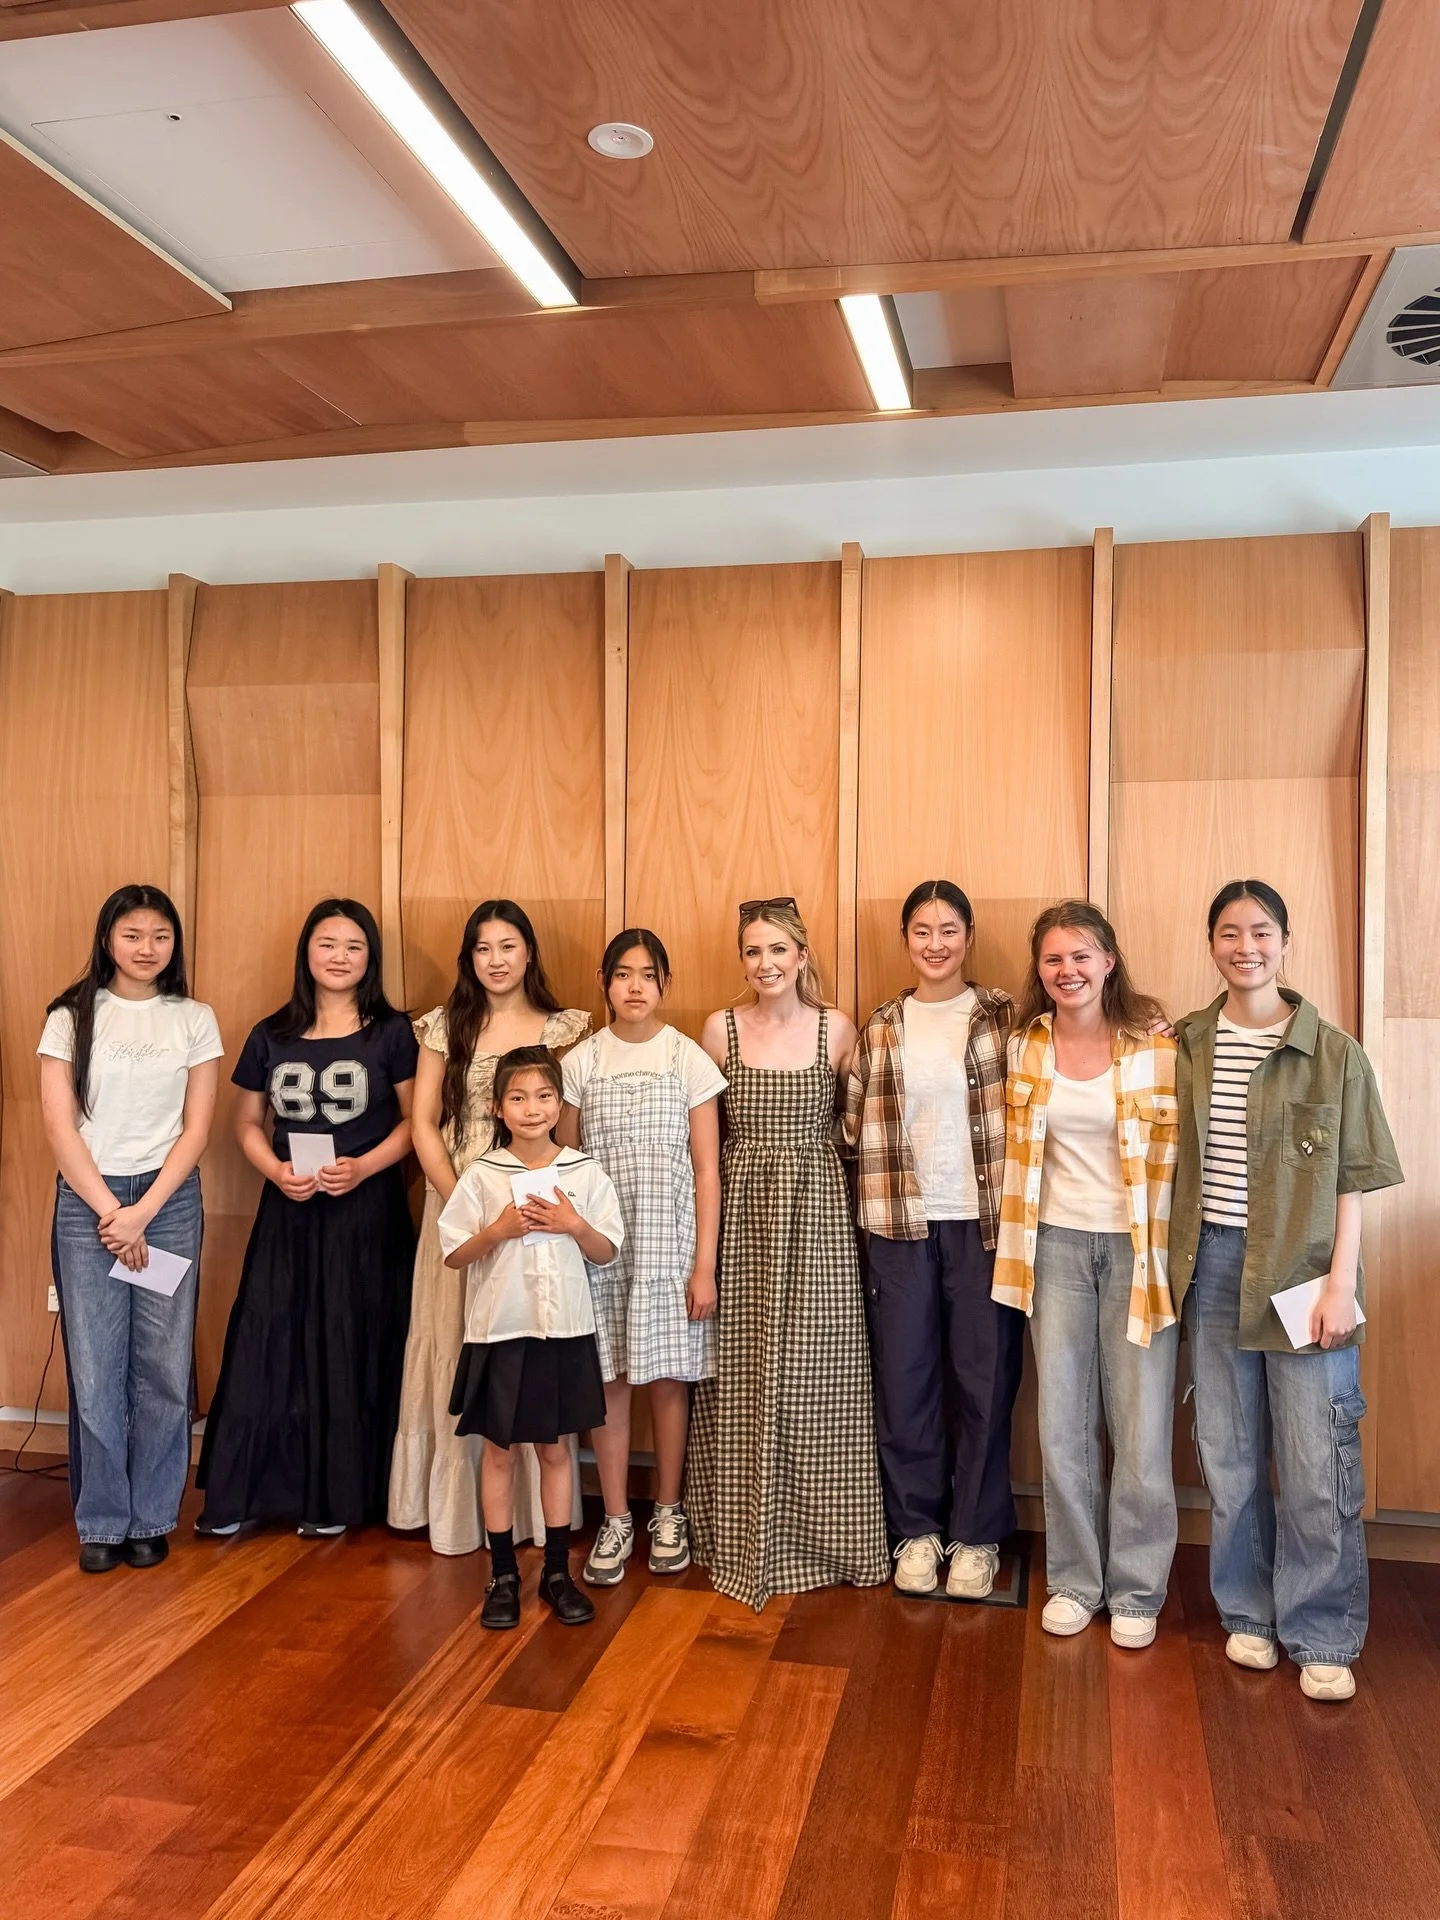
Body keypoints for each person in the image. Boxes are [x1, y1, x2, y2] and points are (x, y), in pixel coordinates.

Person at [1171, 879, 1403, 1701]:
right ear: (1212, 944)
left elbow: (1354, 1178)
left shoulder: (1333, 1051)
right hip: (1213, 1269)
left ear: (1285, 940)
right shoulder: (1187, 1042)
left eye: (1261, 931)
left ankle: (1323, 1630)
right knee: (1231, 1460)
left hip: (1305, 1276)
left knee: (1315, 1461)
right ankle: (1247, 1615)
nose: (1246, 946)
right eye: (1229, 931)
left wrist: (1343, 1281)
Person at [686, 897, 888, 1611]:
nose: (765, 964)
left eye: (778, 950)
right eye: (752, 952)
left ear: (801, 954)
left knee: (819, 1376)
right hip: (740, 1213)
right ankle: (734, 1535)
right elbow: (703, 1154)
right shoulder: (719, 1030)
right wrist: (702, 1262)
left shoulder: (838, 1029)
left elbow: (865, 1128)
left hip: (819, 1218)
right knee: (739, 1373)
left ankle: (829, 1539)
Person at [196, 899, 417, 1535]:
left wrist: (365, 1168)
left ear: (370, 957)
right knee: (271, 1336)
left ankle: (338, 1500)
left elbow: (415, 1123)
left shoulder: (392, 1032)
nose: (340, 957)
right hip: (287, 1208)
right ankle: (254, 1496)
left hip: (365, 1212)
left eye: (354, 946)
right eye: (327, 944)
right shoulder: (271, 1033)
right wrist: (273, 1170)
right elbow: (245, 1120)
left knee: (349, 1340)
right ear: (306, 952)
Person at [993, 900, 1179, 1648]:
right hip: (1055, 1249)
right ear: (1039, 971)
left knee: (1139, 1428)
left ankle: (1137, 1588)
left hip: (1141, 1251)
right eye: (1053, 959)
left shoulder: (1159, 1049)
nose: (1067, 971)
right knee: (1062, 1423)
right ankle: (1075, 1579)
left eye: (1081, 956)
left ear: (1109, 961)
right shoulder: (1020, 1048)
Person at [388, 900, 590, 1553]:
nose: (497, 960)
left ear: (529, 952)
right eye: (483, 948)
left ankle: (536, 1521)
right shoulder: (446, 1026)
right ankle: (454, 1514)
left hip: (538, 1215)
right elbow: (422, 1122)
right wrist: (462, 1202)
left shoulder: (564, 1028)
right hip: (457, 1211)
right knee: (455, 1341)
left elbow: (571, 1131)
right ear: (469, 958)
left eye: (508, 946)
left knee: (525, 1349)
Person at [845, 880, 1023, 1601]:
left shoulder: (1005, 1017)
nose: (936, 943)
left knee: (984, 1382)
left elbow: (1088, 1030)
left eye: (949, 929)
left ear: (969, 935)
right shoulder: (882, 1026)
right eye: (922, 930)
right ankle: (915, 1529)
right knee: (906, 1378)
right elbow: (851, 1127)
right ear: (906, 940)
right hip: (897, 1222)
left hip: (985, 1225)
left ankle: (976, 1537)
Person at [39, 885, 222, 1573]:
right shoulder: (69, 1016)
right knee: (95, 1363)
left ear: (174, 944)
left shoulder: (194, 1018)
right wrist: (110, 1211)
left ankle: (151, 1516)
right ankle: (102, 1520)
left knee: (163, 1366)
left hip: (168, 1202)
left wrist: (144, 1211)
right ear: (107, 939)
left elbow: (197, 1127)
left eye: (160, 936)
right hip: (89, 1202)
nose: (147, 948)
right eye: (133, 935)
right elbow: (60, 1127)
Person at [557, 928, 724, 1585]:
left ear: (665, 985)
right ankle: (618, 1517)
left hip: (671, 1244)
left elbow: (707, 1170)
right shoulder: (581, 1063)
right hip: (600, 1247)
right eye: (622, 974)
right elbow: (565, 1164)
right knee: (609, 1381)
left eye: (648, 975)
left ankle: (668, 1511)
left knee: (667, 1380)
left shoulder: (687, 1060)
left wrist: (703, 1264)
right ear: (605, 983)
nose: (634, 987)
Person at [438, 1046, 624, 1629]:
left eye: (544, 1096)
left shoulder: (584, 1171)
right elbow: (454, 1254)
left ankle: (557, 1573)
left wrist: (572, 1223)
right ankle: (502, 1576)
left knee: (554, 1449)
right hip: (500, 1332)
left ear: (559, 1103)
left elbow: (606, 1250)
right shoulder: (483, 1174)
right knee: (498, 1451)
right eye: (517, 1098)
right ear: (497, 1107)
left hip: (564, 1331)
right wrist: (496, 1230)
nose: (532, 1108)